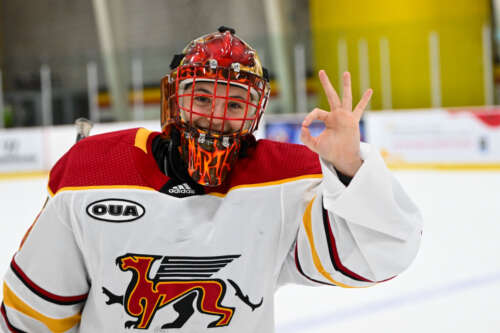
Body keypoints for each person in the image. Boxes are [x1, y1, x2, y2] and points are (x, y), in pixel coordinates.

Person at [1, 27, 422, 332]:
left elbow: (381, 254)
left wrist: (350, 166)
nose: (215, 116)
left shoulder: (283, 183)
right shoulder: (93, 175)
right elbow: (31, 317)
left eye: (235, 103)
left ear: (255, 113)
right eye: (202, 97)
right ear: (174, 100)